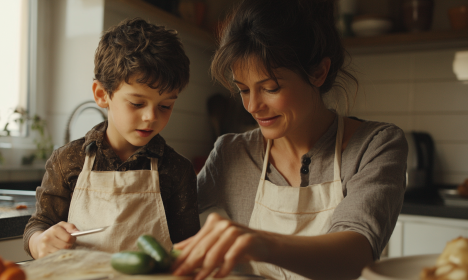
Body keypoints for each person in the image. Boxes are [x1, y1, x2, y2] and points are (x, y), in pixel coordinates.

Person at [171, 0, 408, 279]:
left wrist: (260, 242)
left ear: (318, 72)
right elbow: (178, 235)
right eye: (244, 90)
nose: (252, 106)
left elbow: (357, 254)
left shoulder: (375, 145)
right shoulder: (231, 153)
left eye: (270, 88)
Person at [23, 18, 200, 259]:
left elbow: (188, 248)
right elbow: (39, 224)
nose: (150, 117)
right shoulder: (67, 161)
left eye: (166, 106)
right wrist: (39, 241)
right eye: (137, 103)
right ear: (101, 94)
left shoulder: (177, 170)